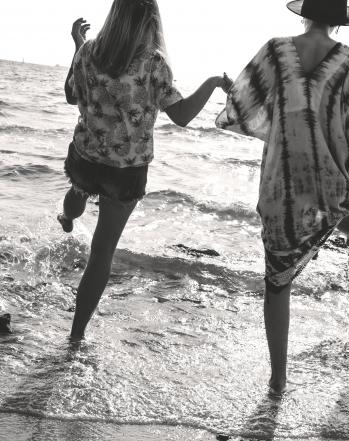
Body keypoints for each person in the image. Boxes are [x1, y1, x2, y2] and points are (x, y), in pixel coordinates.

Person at [216, 0, 349, 396]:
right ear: (338, 22)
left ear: (304, 13)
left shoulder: (275, 49)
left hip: (279, 182)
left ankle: (278, 378)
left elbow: (240, 103)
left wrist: (278, 120)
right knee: (335, 200)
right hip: (326, 176)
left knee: (277, 281)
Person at [59, 0, 231, 341]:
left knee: (78, 190)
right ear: (150, 20)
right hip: (125, 170)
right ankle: (76, 336)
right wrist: (211, 82)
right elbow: (181, 115)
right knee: (102, 252)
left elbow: (69, 94)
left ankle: (68, 217)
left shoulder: (89, 51)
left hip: (87, 155)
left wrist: (78, 47)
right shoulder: (154, 63)